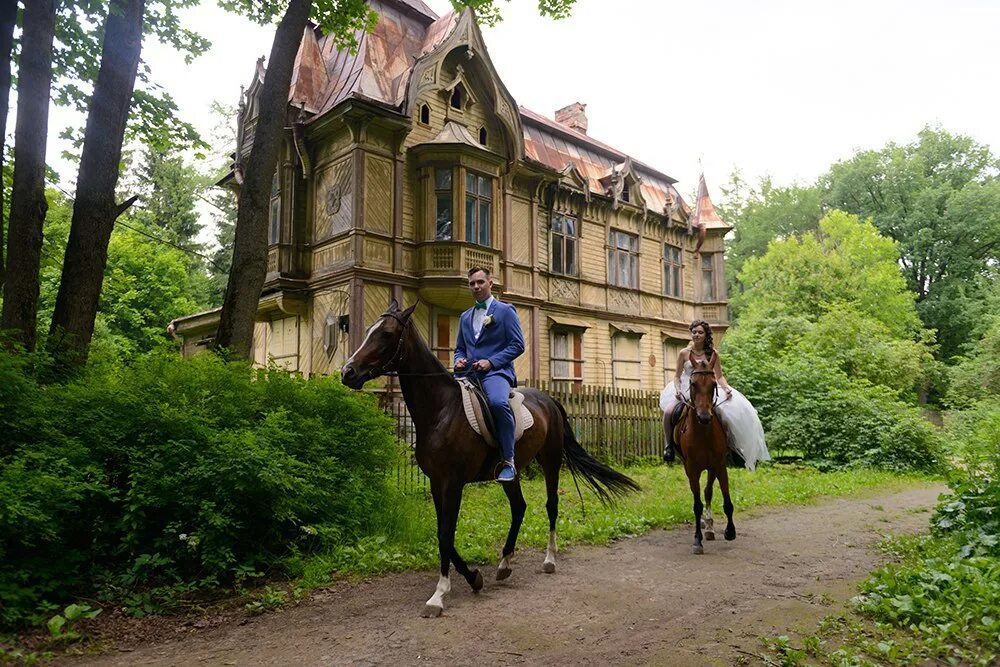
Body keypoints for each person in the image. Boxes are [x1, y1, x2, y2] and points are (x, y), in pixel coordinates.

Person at [659, 319, 770, 471]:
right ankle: (669, 446)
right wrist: (677, 390)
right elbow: (677, 376)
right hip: (687, 387)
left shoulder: (712, 354)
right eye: (694, 332)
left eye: (700, 332)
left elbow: (719, 376)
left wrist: (726, 388)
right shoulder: (684, 353)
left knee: (725, 415)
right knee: (669, 412)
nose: (696, 335)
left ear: (705, 335)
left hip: (708, 389)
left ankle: (731, 447)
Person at [454, 266, 526, 482]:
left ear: (490, 283)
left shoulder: (504, 311)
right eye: (472, 283)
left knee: (496, 403)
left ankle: (508, 461)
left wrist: (491, 362)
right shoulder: (465, 316)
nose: (476, 286)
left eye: (480, 282)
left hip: (496, 373)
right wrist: (458, 360)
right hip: (467, 373)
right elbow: (460, 347)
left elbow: (517, 345)